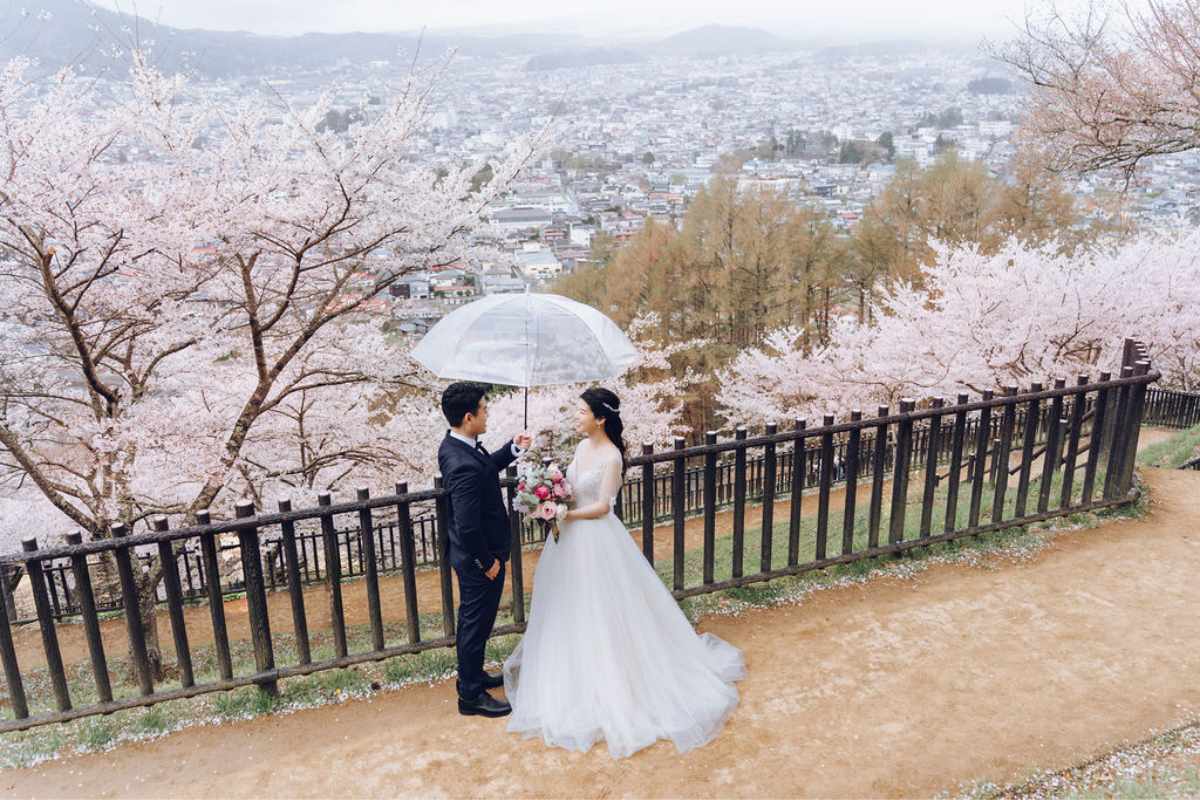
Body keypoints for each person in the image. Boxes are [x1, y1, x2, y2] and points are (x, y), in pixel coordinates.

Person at [503, 387, 747, 759]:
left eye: (581, 412)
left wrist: (563, 514)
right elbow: (571, 489)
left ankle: (616, 681)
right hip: (567, 541)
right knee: (570, 608)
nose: (576, 417)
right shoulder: (582, 448)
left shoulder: (612, 457)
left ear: (600, 418)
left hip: (596, 540)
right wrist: (549, 499)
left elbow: (602, 506)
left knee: (602, 607)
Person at [438, 382, 532, 718]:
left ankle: (473, 675)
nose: (487, 413)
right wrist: (486, 562)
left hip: (475, 556)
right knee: (475, 624)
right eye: (484, 408)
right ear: (468, 417)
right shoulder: (461, 461)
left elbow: (484, 469)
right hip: (479, 559)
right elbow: (466, 525)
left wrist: (512, 450)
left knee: (473, 621)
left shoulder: (459, 445)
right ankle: (470, 696)